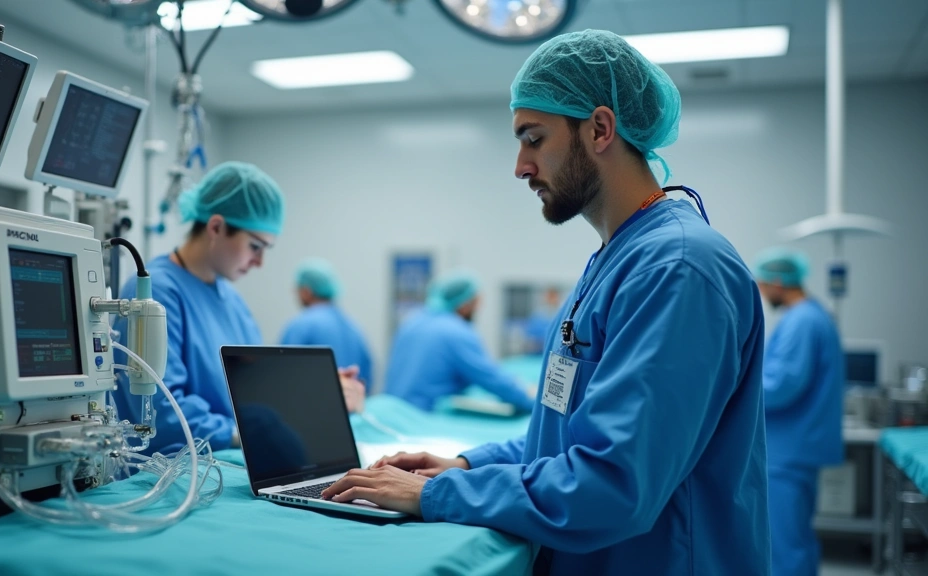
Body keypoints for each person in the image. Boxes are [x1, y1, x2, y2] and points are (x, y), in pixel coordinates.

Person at [322, 29, 770, 575]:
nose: (520, 166)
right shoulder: (616, 260)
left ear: (600, 129)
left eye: (533, 138)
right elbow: (568, 436)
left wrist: (438, 496)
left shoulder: (677, 268)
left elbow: (613, 484)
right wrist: (464, 464)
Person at [112, 162, 364, 454]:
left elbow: (255, 389)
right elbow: (158, 412)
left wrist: (319, 392)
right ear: (216, 227)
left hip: (227, 461)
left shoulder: (232, 300)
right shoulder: (155, 294)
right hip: (174, 470)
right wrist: (243, 433)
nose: (260, 262)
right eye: (255, 246)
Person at [754, 248, 844, 576]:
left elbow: (781, 385)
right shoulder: (814, 315)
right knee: (796, 538)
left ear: (779, 282)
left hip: (787, 451)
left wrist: (735, 388)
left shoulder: (801, 321)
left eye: (764, 284)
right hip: (798, 447)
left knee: (784, 543)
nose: (762, 292)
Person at [383, 271, 536, 413]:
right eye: (476, 303)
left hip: (393, 412)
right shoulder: (456, 332)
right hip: (422, 419)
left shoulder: (412, 322)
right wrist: (535, 402)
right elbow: (492, 379)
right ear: (465, 306)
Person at [280, 258, 374, 388]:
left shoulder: (302, 325)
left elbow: (282, 371)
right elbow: (365, 378)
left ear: (306, 291)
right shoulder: (353, 327)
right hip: (349, 407)